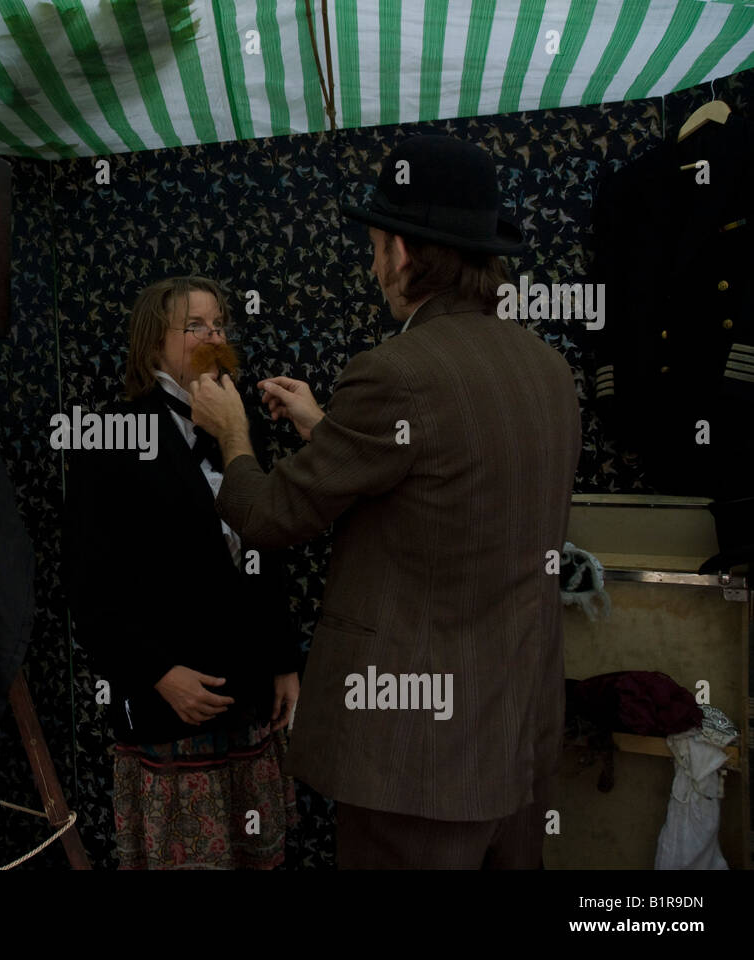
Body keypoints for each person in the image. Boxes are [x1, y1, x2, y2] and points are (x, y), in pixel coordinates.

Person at [190, 136, 582, 869]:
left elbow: (271, 516)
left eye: (374, 248)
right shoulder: (547, 369)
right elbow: (447, 477)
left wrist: (233, 432)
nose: (372, 267)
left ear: (401, 252)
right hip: (515, 737)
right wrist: (326, 427)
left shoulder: (396, 371)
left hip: (418, 759)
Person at [66, 276, 301, 870]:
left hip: (247, 698)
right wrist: (157, 673)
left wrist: (283, 659)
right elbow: (91, 586)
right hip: (169, 704)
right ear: (152, 347)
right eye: (195, 325)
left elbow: (267, 551)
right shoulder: (109, 437)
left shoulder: (243, 427)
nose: (213, 335)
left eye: (219, 323)